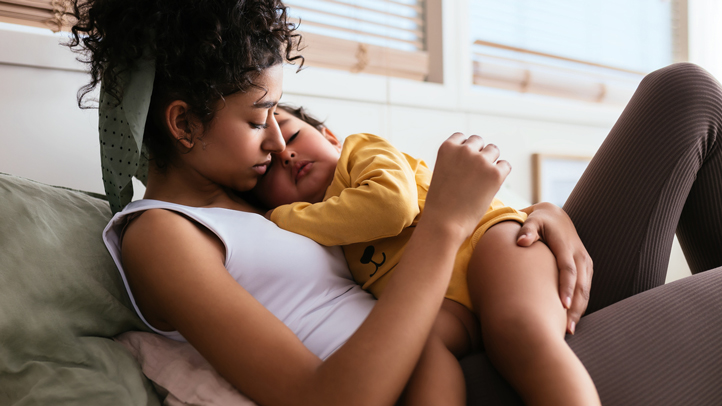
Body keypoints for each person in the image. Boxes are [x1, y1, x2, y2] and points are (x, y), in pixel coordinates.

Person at [67, 0, 722, 405]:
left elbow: (392, 218)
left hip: (496, 298)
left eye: (280, 117)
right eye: (257, 118)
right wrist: (447, 223)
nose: (275, 140)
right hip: (470, 378)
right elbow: (328, 399)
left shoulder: (256, 189)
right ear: (183, 126)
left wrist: (534, 217)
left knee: (685, 92)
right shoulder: (162, 236)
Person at [250, 104, 600, 405]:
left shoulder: (359, 152)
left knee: (519, 330)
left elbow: (391, 207)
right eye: (268, 168)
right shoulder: (311, 236)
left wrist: (279, 216)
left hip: (487, 242)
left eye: (292, 136)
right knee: (421, 356)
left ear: (329, 136)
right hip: (439, 302)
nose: (287, 155)